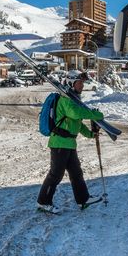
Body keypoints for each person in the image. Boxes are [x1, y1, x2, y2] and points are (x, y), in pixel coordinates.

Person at [37, 73, 105, 214]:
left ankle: (83, 199)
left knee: (76, 173)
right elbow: (76, 114)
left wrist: (90, 134)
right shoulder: (65, 100)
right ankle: (43, 202)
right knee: (55, 174)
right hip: (60, 143)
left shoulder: (74, 101)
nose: (82, 85)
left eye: (82, 83)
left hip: (69, 144)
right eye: (78, 82)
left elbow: (78, 124)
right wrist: (95, 115)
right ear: (70, 83)